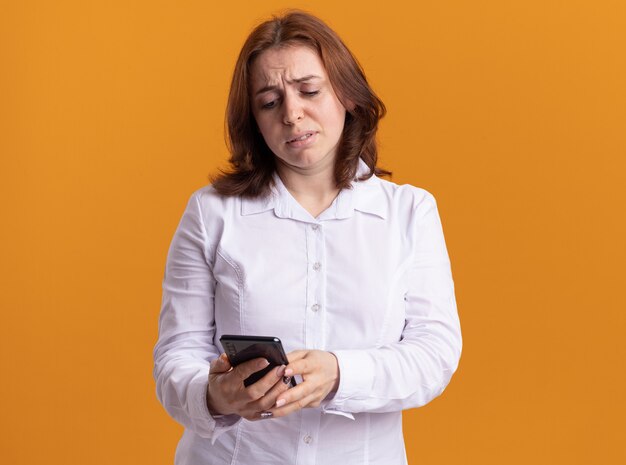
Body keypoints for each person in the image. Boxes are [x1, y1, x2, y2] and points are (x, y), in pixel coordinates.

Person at [153, 10, 462, 465]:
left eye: (309, 90)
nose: (293, 114)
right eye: (269, 101)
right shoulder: (211, 212)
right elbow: (175, 357)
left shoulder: (409, 212)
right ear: (254, 120)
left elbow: (434, 354)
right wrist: (215, 395)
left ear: (347, 94)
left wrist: (341, 374)